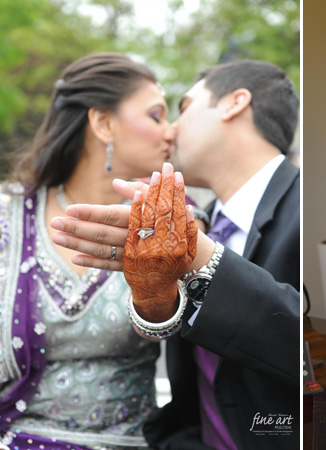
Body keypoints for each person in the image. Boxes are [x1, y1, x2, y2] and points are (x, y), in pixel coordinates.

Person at [50, 59, 301, 450]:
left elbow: (310, 353)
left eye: (182, 107)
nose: (170, 130)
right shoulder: (193, 220)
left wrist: (202, 259)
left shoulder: (304, 205)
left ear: (234, 103)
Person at [0, 53, 175, 449]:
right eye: (156, 115)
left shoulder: (175, 227)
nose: (171, 132)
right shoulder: (9, 216)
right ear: (102, 123)